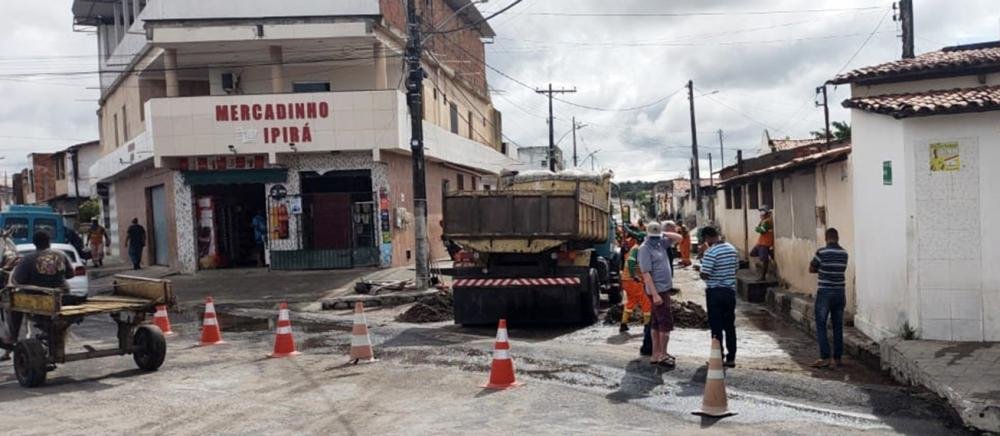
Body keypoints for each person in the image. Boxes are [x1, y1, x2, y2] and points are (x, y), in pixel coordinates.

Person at [3, 232, 75, 357]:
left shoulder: (28, 258)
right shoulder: (61, 254)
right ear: (49, 242)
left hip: (40, 299)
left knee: (13, 303)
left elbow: (17, 281)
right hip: (63, 296)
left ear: (34, 243)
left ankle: (13, 337)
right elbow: (71, 274)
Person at [638, 221, 683, 367]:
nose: (656, 238)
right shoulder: (645, 249)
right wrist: (655, 294)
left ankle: (656, 354)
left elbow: (679, 238)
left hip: (663, 289)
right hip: (658, 291)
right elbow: (646, 274)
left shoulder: (660, 243)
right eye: (654, 236)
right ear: (648, 235)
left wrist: (662, 233)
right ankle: (662, 354)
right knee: (665, 323)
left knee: (656, 322)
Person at [699, 226, 739, 368]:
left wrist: (702, 258)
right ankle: (731, 358)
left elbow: (705, 274)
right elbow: (735, 269)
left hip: (715, 292)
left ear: (708, 238)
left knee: (716, 327)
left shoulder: (711, 252)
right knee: (730, 326)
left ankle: (718, 357)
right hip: (730, 292)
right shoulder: (732, 249)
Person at [809, 228, 849, 369]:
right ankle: (837, 358)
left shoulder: (821, 253)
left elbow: (811, 268)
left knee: (821, 324)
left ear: (826, 238)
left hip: (825, 292)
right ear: (837, 238)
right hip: (840, 292)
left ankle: (825, 357)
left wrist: (821, 269)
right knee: (838, 326)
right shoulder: (844, 253)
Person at [619, 233, 650, 334]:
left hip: (626, 280)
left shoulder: (635, 248)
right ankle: (648, 325)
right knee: (646, 301)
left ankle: (623, 324)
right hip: (632, 281)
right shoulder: (638, 249)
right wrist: (634, 276)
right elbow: (631, 261)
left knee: (631, 301)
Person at [751, 207, 774, 281]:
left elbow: (762, 230)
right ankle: (767, 257)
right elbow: (759, 228)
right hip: (761, 242)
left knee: (764, 260)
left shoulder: (767, 221)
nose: (760, 215)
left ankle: (763, 276)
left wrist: (757, 228)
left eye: (761, 213)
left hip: (765, 243)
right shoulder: (763, 221)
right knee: (752, 253)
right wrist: (759, 225)